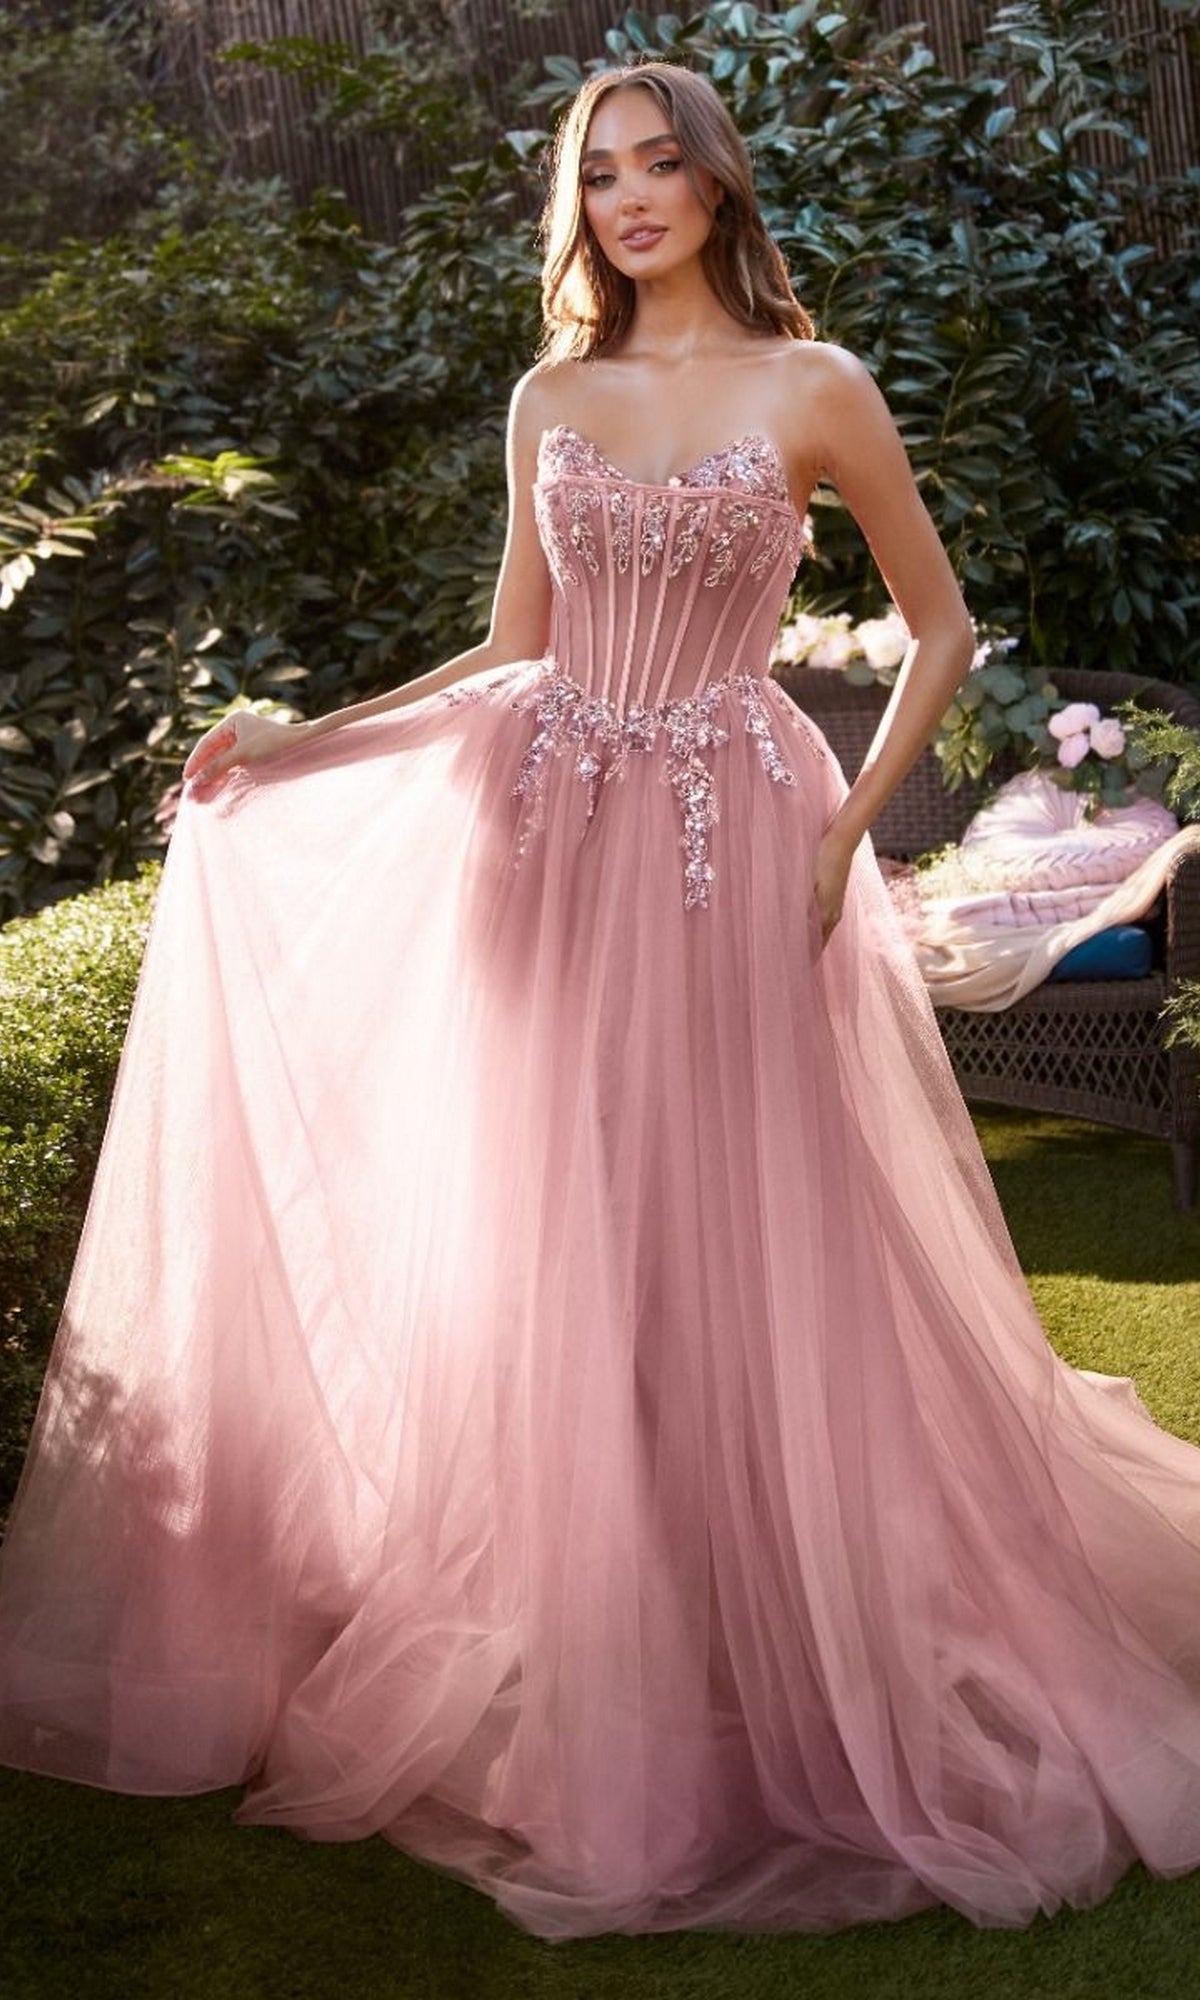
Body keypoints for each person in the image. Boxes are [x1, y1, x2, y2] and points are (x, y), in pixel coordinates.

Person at [2, 59, 1200, 1944]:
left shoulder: (817, 387)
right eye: (602, 174)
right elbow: (511, 644)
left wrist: (851, 837)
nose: (631, 197)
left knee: (736, 1229)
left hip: (731, 843)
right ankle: (606, 1627)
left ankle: (785, 1611)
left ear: (719, 189)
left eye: (662, 166)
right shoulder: (550, 394)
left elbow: (943, 626)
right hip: (545, 831)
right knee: (562, 1234)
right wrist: (295, 742)